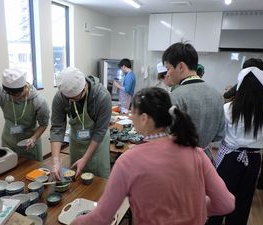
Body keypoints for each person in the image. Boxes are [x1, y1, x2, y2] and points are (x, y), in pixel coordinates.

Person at [71, 87, 235, 225]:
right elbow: (226, 203)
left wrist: (76, 222)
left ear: (144, 118)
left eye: (132, 112)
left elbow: (102, 218)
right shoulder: (196, 153)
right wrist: (195, 207)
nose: (131, 117)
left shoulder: (128, 161)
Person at [207, 67, 263, 225]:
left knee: (220, 197)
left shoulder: (228, 108)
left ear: (240, 87)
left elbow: (220, 134)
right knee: (243, 200)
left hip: (230, 158)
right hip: (254, 160)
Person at [162, 42, 225, 161]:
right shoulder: (217, 95)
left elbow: (167, 135)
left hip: (181, 160)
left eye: (168, 68)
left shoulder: (176, 96)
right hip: (206, 158)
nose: (167, 74)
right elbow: (219, 135)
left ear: (180, 66)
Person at [0, 68, 50, 161]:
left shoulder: (39, 101)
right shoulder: (0, 92)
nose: (13, 98)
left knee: (31, 172)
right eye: (9, 94)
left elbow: (43, 124)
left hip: (29, 145)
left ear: (25, 87)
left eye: (17, 95)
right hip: (8, 143)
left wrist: (34, 138)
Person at [50, 67, 112, 180]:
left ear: (85, 86)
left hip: (97, 142)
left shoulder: (102, 96)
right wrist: (55, 161)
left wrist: (85, 159)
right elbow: (57, 128)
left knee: (98, 183)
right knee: (76, 180)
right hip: (77, 143)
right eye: (69, 99)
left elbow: (100, 131)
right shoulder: (60, 97)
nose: (73, 100)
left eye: (75, 98)